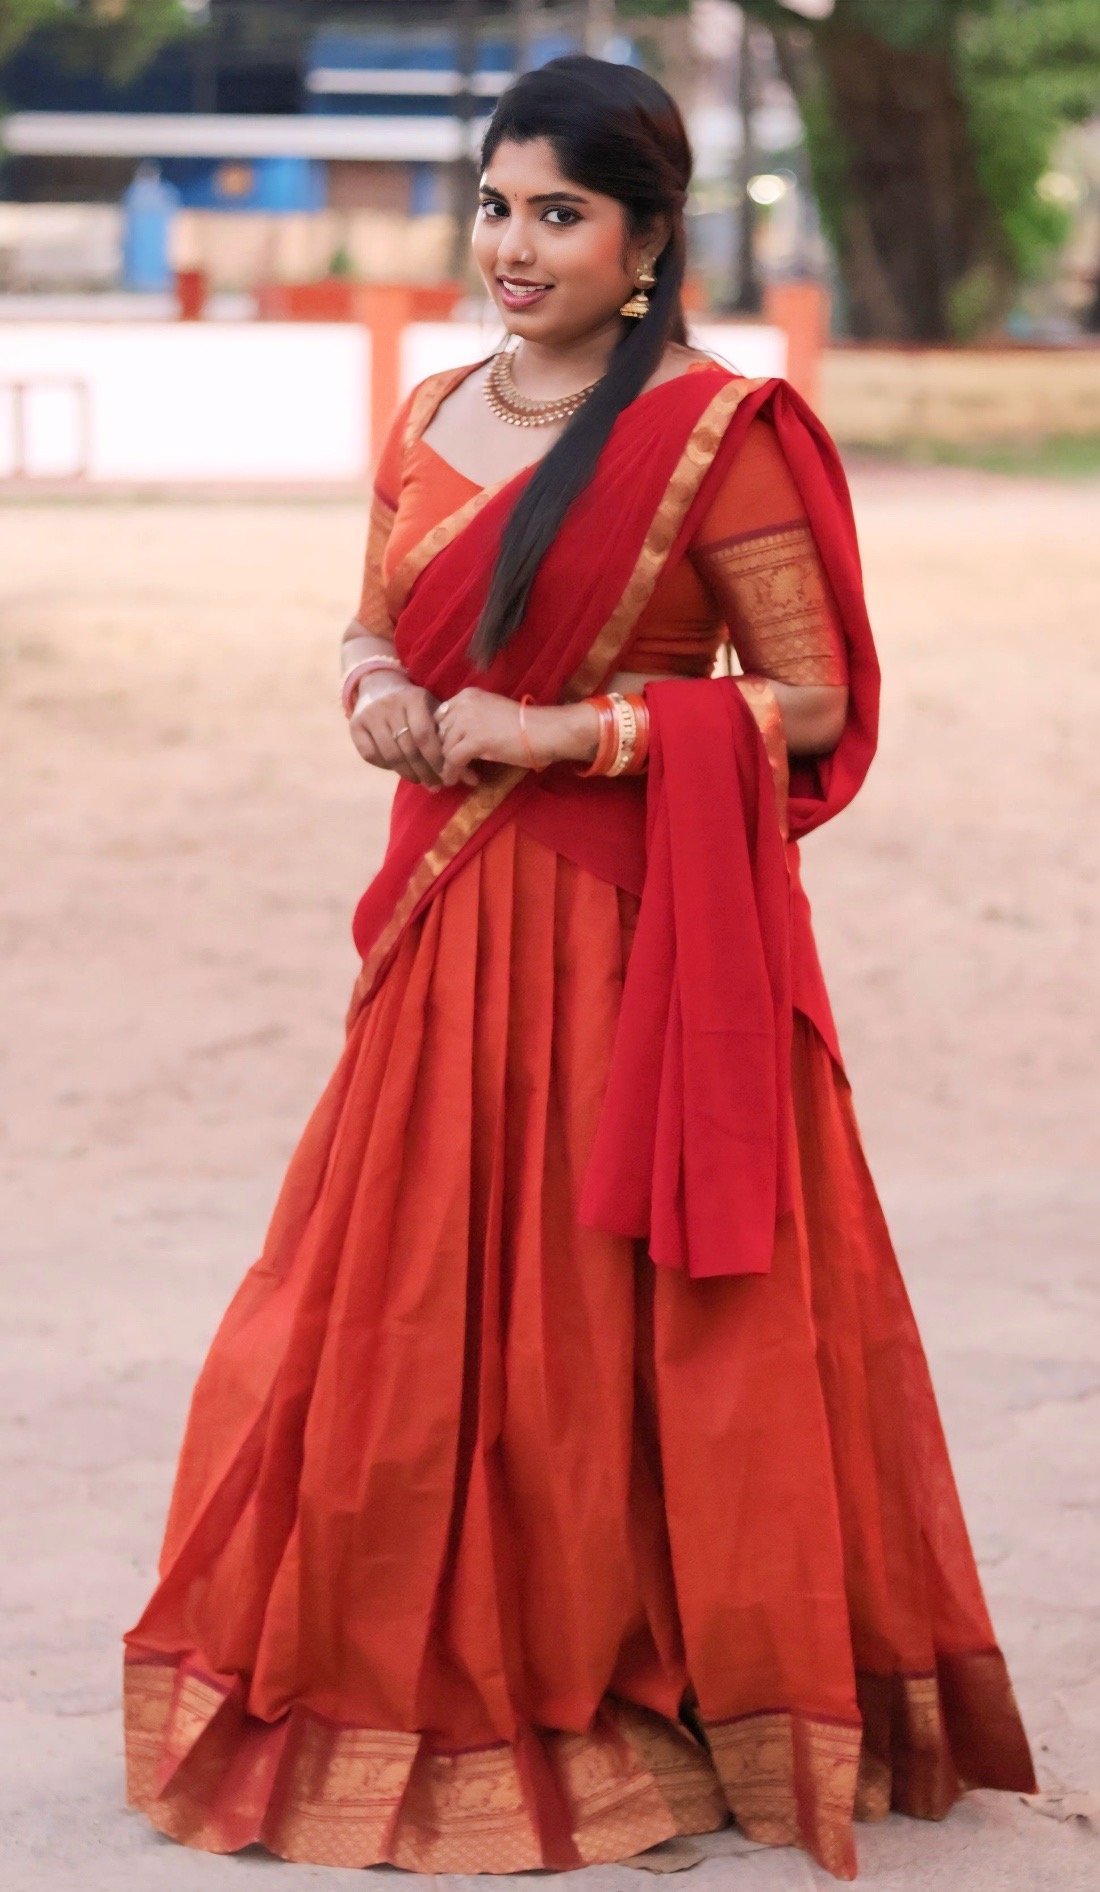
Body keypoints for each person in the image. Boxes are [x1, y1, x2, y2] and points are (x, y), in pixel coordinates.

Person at [121, 55, 1035, 1883]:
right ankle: (430, 1649)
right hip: (444, 927)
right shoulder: (434, 411)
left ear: (647, 239)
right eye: (496, 205)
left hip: (629, 947)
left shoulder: (714, 431)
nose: (514, 245)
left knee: (612, 1315)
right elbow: (372, 619)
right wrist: (377, 689)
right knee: (401, 1294)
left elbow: (812, 700)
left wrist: (570, 734)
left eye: (561, 212)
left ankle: (646, 1662)